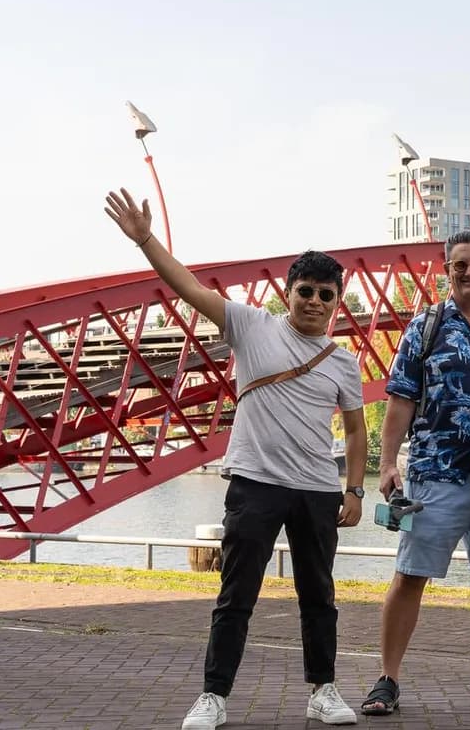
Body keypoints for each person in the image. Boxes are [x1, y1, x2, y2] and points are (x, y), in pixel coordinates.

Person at [103, 188, 365, 730]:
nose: (314, 301)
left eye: (325, 295)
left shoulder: (343, 363)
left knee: (319, 597)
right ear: (286, 295)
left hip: (317, 489)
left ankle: (323, 691)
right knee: (235, 597)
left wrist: (355, 489)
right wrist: (146, 239)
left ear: (336, 301)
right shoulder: (251, 326)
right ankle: (214, 697)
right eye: (305, 291)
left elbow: (358, 430)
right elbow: (188, 286)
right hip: (256, 484)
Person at [361, 231, 470, 716]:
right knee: (410, 574)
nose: (469, 272)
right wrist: (389, 463)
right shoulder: (424, 328)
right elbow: (400, 401)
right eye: (459, 265)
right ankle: (387, 678)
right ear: (446, 269)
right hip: (436, 474)